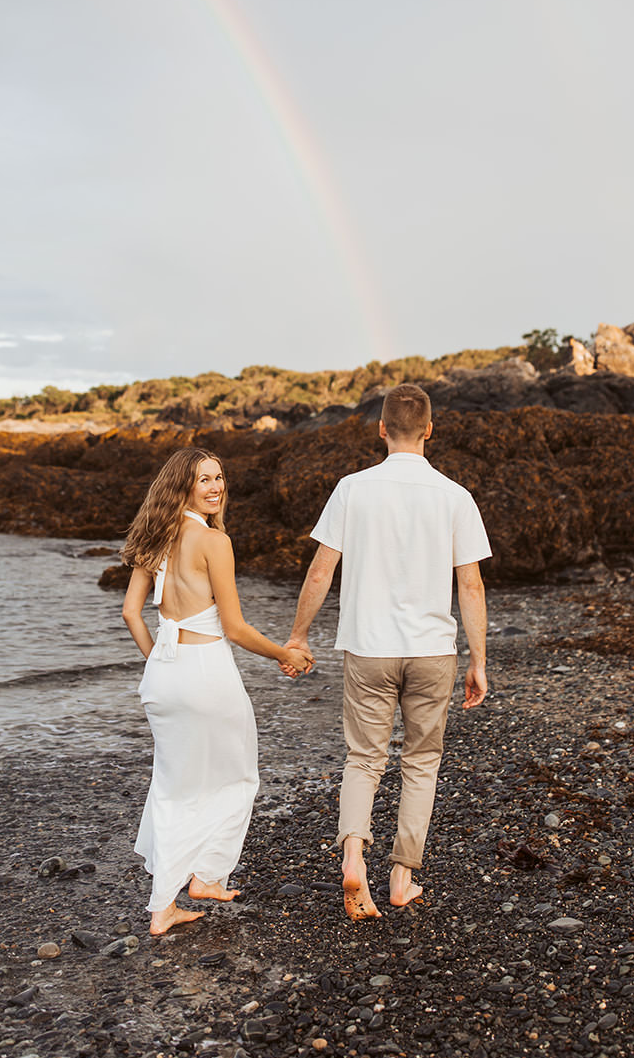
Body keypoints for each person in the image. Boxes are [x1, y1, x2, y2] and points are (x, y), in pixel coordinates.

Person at [283, 383, 490, 920]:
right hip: (432, 652)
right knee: (421, 761)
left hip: (369, 649)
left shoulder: (352, 489)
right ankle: (401, 878)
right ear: (429, 430)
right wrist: (479, 661)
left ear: (380, 429)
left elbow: (322, 569)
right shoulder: (455, 496)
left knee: (364, 758)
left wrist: (298, 636)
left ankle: (354, 854)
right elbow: (470, 585)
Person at [122, 446, 310, 935]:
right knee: (237, 775)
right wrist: (284, 655)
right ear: (182, 485)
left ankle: (203, 879)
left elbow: (130, 614)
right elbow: (235, 628)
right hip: (205, 671)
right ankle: (166, 902)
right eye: (203, 479)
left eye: (219, 477)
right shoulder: (213, 542)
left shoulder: (153, 535)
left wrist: (161, 665)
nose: (215, 487)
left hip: (164, 675)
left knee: (174, 782)